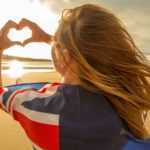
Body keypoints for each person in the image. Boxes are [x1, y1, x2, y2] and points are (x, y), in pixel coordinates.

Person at [0, 3, 150, 150]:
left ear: (65, 58)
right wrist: (51, 39)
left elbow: (1, 94)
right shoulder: (133, 99)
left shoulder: (40, 108)